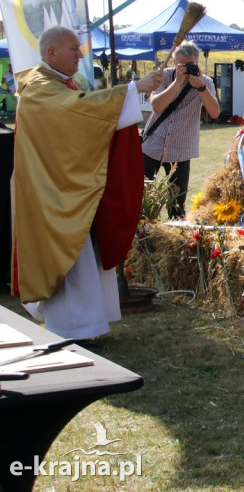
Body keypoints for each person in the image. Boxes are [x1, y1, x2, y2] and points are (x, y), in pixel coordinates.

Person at [13, 26, 162, 340]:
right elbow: (81, 114)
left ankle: (86, 324)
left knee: (83, 258)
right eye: (72, 49)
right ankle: (70, 328)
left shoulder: (54, 84)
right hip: (55, 193)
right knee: (71, 259)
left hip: (68, 185)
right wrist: (135, 89)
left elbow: (82, 110)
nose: (80, 55)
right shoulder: (41, 87)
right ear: (51, 52)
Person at [141, 40, 219, 219]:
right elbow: (157, 106)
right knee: (142, 199)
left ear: (197, 63)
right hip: (152, 145)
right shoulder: (164, 76)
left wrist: (200, 87)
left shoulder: (205, 82)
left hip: (180, 152)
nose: (185, 69)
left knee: (176, 204)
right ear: (174, 63)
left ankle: (173, 239)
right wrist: (177, 82)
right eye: (181, 65)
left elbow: (214, 112)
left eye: (190, 65)